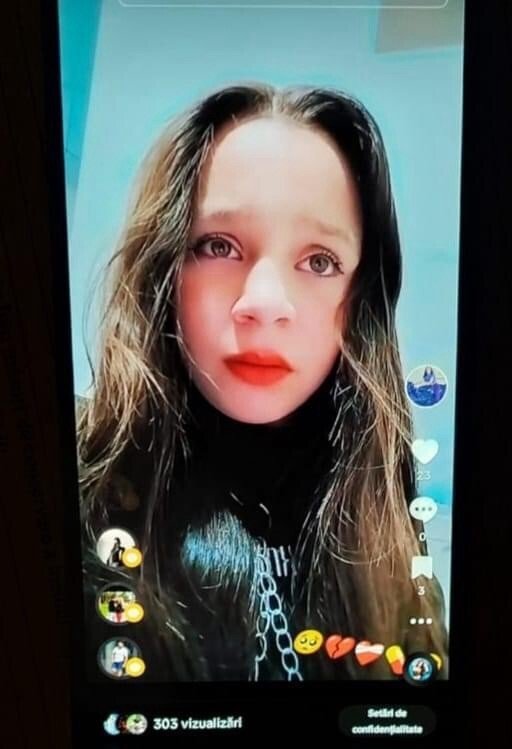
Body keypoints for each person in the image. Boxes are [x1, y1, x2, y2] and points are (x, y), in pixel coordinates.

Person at [78, 83, 448, 682]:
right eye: (218, 246)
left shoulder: (388, 506)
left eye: (320, 261)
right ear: (163, 267)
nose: (266, 304)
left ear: (360, 302)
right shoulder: (84, 477)